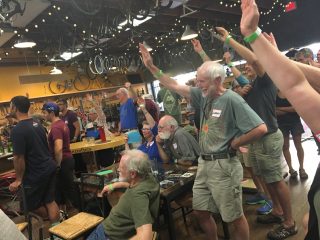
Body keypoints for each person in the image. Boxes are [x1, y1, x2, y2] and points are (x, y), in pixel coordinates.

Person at [140, 43, 267, 240]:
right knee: (200, 211)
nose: (197, 85)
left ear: (217, 80)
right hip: (204, 165)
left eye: (201, 81)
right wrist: (151, 67)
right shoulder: (203, 95)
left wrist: (236, 142)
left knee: (233, 216)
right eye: (197, 81)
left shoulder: (232, 99)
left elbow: (260, 128)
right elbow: (172, 84)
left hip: (224, 166)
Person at [239, 0, 320, 239]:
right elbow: (299, 81)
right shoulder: (251, 83)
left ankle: (288, 217)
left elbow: (296, 84)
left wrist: (253, 35)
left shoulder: (262, 79)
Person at [215, 24, 298, 239]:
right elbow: (237, 71)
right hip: (257, 139)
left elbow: (254, 61)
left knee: (276, 180)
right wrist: (229, 63)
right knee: (267, 178)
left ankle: (289, 223)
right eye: (244, 69)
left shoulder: (266, 79)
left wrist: (230, 40)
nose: (246, 69)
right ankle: (278, 211)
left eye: (248, 68)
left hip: (268, 136)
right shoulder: (251, 84)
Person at [86, 149, 160, 240]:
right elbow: (134, 185)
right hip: (110, 229)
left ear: (132, 173)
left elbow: (145, 236)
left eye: (121, 168)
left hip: (106, 235)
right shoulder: (148, 178)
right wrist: (115, 185)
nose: (118, 169)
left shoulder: (138, 196)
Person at [8, 96, 59, 224]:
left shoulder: (17, 130)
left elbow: (18, 157)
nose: (9, 109)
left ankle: (52, 225)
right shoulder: (37, 124)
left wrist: (18, 179)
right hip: (48, 166)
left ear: (14, 107)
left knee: (29, 206)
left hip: (36, 172)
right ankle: (58, 231)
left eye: (10, 106)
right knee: (49, 201)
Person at [42, 102, 79, 213]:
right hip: (66, 160)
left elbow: (58, 148)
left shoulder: (56, 127)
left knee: (69, 190)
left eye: (45, 113)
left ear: (52, 113)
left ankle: (85, 214)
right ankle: (66, 212)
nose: (43, 115)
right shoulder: (61, 123)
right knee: (64, 189)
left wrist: (57, 164)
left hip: (62, 161)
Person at [125, 98, 168, 163]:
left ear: (152, 131)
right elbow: (130, 156)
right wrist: (126, 143)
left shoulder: (156, 139)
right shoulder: (142, 146)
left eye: (147, 129)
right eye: (143, 129)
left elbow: (153, 124)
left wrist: (143, 109)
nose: (144, 131)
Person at [276, 91, 307, 179]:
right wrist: (289, 109)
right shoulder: (274, 94)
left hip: (295, 122)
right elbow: (274, 111)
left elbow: (296, 108)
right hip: (281, 124)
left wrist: (280, 108)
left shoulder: (291, 92)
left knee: (298, 145)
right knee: (285, 146)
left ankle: (301, 168)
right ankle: (291, 169)